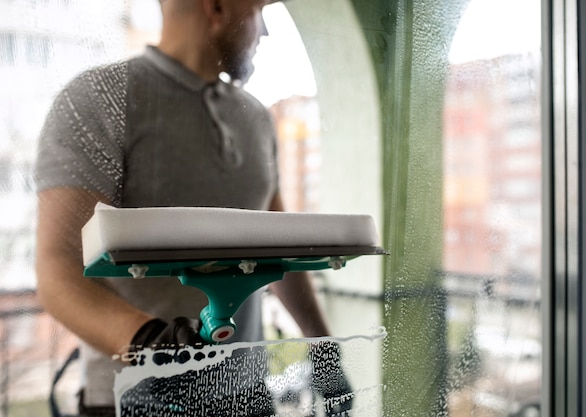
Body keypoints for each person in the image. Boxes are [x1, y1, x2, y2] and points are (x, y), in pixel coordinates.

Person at [34, 0, 350, 415]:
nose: (265, 32)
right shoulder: (99, 100)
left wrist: (323, 349)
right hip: (132, 397)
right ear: (216, 8)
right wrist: (151, 345)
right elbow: (59, 269)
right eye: (257, 12)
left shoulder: (255, 118)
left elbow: (280, 248)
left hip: (247, 394)